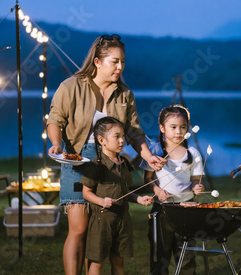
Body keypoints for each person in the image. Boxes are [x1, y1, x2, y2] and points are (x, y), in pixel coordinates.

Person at [47, 34, 166, 275]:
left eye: (123, 61)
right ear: (98, 62)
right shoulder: (70, 87)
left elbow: (133, 131)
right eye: (115, 61)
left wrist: (147, 155)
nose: (120, 67)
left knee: (101, 229)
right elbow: (55, 120)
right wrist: (56, 144)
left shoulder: (124, 94)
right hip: (78, 161)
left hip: (112, 164)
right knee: (79, 229)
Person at [81, 117, 153, 275]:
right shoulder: (96, 165)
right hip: (102, 222)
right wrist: (101, 201)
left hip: (122, 220)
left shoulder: (124, 164)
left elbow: (125, 191)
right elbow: (86, 192)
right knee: (97, 262)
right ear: (102, 140)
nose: (122, 140)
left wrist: (138, 199)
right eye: (117, 136)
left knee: (119, 261)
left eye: (123, 136)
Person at [140, 105, 204, 275]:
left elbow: (195, 181)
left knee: (187, 254)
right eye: (173, 127)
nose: (178, 131)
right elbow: (146, 179)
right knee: (160, 253)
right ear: (162, 128)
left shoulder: (193, 153)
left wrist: (196, 187)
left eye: (183, 127)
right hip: (162, 210)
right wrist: (157, 191)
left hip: (187, 209)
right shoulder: (153, 152)